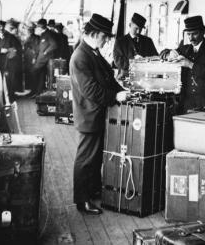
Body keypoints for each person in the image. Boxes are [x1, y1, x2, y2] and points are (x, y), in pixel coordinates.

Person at [69, 14, 129, 215]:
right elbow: (91, 90)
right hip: (89, 116)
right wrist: (116, 96)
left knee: (94, 159)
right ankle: (81, 200)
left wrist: (123, 91)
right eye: (105, 37)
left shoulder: (93, 53)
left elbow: (108, 78)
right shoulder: (80, 56)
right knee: (85, 159)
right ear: (95, 34)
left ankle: (93, 190)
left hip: (98, 115)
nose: (106, 41)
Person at [165, 15, 205, 111]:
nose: (191, 38)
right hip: (188, 102)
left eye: (194, 34)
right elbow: (162, 53)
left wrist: (190, 64)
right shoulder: (185, 49)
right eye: (188, 34)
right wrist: (169, 53)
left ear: (203, 31)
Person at [113, 13, 158, 79]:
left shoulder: (148, 41)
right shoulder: (120, 42)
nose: (138, 31)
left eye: (140, 29)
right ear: (130, 25)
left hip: (145, 77)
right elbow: (117, 61)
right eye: (136, 28)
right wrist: (133, 61)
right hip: (126, 77)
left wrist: (146, 60)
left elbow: (156, 57)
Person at [0, 20, 20, 102]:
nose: (1, 28)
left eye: (2, 26)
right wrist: (0, 50)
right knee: (0, 81)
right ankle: (1, 99)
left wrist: (8, 50)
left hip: (9, 61)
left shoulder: (10, 37)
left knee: (10, 80)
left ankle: (10, 97)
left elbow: (16, 48)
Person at [33, 18, 58, 95]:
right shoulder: (43, 34)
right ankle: (38, 92)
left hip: (45, 59)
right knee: (41, 75)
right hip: (41, 58)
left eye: (39, 25)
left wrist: (45, 52)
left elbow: (54, 45)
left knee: (34, 71)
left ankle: (36, 91)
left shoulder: (48, 34)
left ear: (42, 26)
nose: (38, 26)